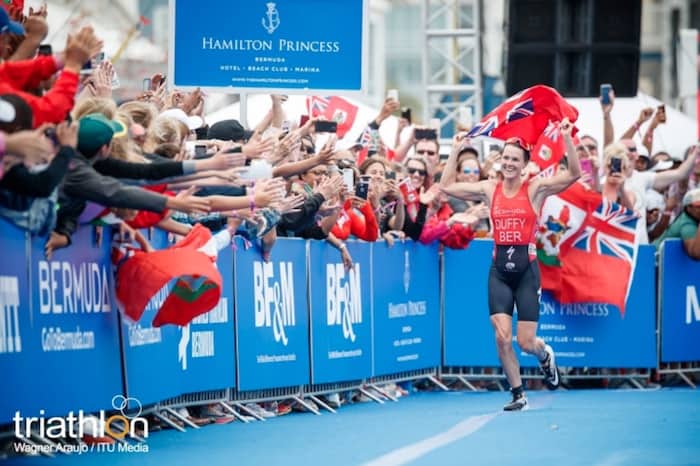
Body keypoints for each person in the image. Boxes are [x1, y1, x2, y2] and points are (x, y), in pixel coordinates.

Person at [441, 119, 581, 411]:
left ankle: (545, 356)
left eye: (515, 159)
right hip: (499, 272)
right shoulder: (489, 189)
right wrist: (456, 149)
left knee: (526, 341)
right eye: (505, 157)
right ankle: (518, 394)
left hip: (527, 271)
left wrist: (567, 138)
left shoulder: (536, 189)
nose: (508, 163)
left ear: (524, 164)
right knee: (502, 337)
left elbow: (574, 174)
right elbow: (446, 186)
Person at [653, 188, 700, 260]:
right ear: (688, 208)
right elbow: (696, 254)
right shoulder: (687, 224)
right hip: (654, 262)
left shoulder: (693, 218)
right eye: (698, 206)